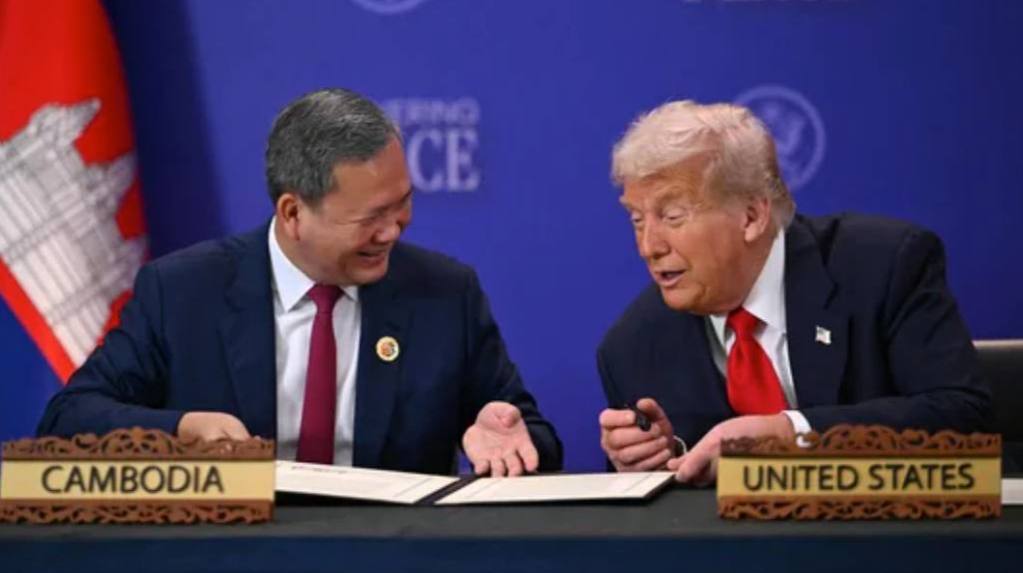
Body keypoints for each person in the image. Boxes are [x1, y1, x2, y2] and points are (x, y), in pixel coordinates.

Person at [37, 88, 562, 477]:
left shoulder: (445, 295)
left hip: (391, 565)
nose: (394, 230)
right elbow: (67, 419)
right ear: (292, 213)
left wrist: (508, 437)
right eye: (371, 217)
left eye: (403, 203)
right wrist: (183, 429)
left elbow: (532, 434)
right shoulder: (182, 293)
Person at [597, 100, 990, 485]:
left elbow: (963, 417)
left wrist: (793, 436)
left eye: (672, 216)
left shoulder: (883, 267)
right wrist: (648, 458)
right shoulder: (632, 347)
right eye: (637, 219)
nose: (648, 246)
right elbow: (650, 499)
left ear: (751, 216)